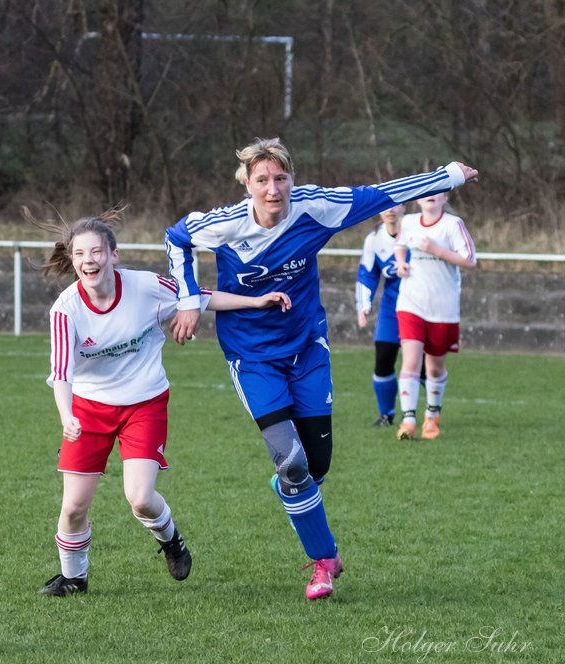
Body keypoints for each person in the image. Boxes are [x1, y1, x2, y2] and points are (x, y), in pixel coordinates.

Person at [164, 138, 478, 599]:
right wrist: (188, 300)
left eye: (281, 178)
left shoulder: (316, 207)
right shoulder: (224, 223)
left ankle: (294, 490)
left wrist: (447, 176)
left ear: (292, 179)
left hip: (307, 347)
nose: (273, 190)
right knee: (291, 462)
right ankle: (324, 562)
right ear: (247, 185)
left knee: (316, 466)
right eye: (262, 180)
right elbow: (176, 238)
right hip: (252, 355)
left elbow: (383, 193)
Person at [38, 209, 292, 596]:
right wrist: (66, 415)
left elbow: (199, 297)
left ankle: (170, 540)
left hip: (145, 403)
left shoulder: (145, 287)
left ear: (114, 255)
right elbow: (61, 374)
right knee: (73, 507)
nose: (89, 261)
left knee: (140, 499)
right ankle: (74, 577)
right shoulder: (66, 309)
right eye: (80, 255)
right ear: (73, 261)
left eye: (96, 252)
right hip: (88, 409)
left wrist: (256, 302)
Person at [392, 191, 477, 440]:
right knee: (410, 360)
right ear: (418, 198)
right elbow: (399, 244)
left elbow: (470, 260)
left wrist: (437, 250)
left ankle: (432, 415)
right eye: (427, 191)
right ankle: (408, 421)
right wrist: (400, 263)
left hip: (443, 307)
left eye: (438, 191)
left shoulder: (453, 224)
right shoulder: (408, 222)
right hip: (411, 302)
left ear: (445, 199)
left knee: (435, 367)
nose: (431, 195)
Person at [355, 203, 408, 426]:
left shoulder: (416, 233)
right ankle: (386, 415)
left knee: (424, 366)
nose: (391, 210)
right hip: (391, 309)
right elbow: (367, 274)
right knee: (384, 358)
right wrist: (363, 305)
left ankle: (429, 414)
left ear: (405, 207)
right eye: (386, 205)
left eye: (397, 204)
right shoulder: (374, 239)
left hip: (419, 307)